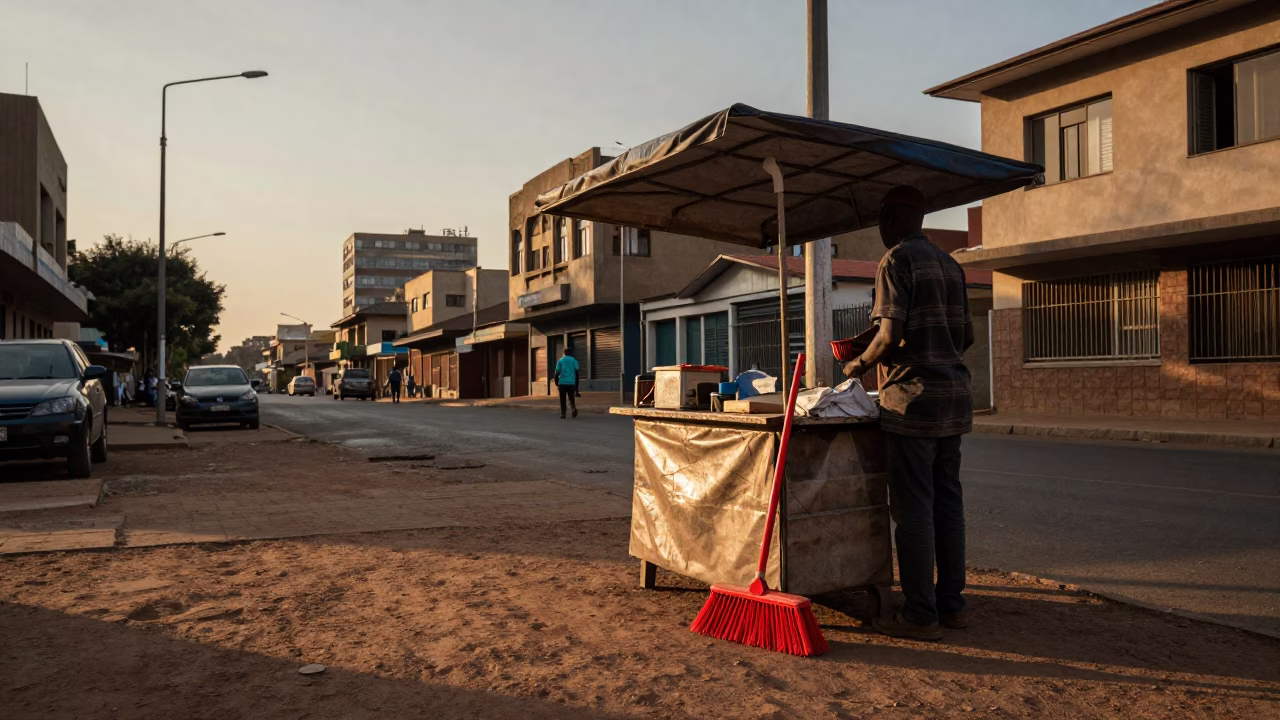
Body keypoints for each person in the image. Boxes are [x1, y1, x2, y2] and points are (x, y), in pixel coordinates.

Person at [843, 185, 974, 642]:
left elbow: (890, 335)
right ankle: (951, 606)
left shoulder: (895, 260)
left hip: (913, 401)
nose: (880, 228)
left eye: (881, 219)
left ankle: (920, 615)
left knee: (914, 509)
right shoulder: (950, 264)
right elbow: (966, 335)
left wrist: (857, 364)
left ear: (894, 219)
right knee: (947, 505)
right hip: (953, 399)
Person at [553, 348, 580, 419]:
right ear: (571, 353)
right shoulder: (574, 360)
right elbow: (577, 373)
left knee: (562, 399)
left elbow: (557, 372)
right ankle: (573, 409)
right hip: (571, 383)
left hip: (562, 383)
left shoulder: (560, 360)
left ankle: (563, 414)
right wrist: (577, 388)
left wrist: (556, 382)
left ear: (564, 353)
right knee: (571, 398)